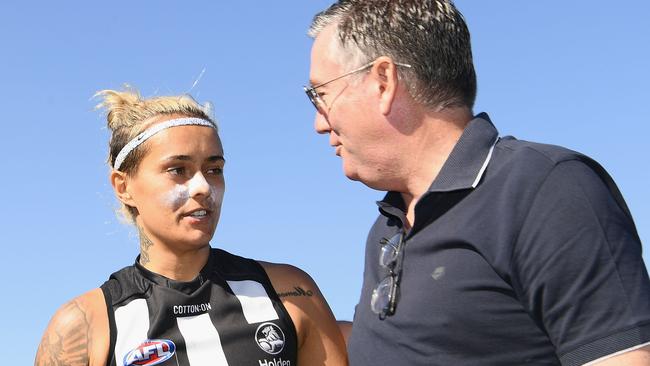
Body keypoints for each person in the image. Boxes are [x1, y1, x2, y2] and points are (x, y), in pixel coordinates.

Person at [304, 1, 650, 365]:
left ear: (383, 82)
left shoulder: (544, 188)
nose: (319, 124)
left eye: (320, 95)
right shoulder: (387, 227)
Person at [35, 89, 348, 366]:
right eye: (178, 170)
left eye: (214, 169)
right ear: (123, 186)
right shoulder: (85, 325)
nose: (202, 187)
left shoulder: (291, 293)